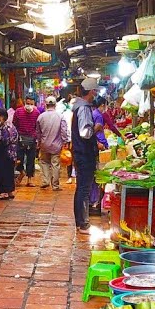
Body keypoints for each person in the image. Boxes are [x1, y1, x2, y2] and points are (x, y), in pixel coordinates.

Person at [72, 79, 103, 232]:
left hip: (80, 153)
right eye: (95, 91)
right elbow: (84, 132)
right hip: (84, 153)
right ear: (91, 92)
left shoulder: (78, 106)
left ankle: (80, 222)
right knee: (84, 189)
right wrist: (95, 128)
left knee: (81, 188)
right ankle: (83, 223)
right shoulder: (83, 108)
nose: (96, 94)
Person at [36, 96, 68, 190]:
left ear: (46, 105)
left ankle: (45, 181)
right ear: (55, 105)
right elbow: (64, 130)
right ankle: (55, 185)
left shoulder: (41, 116)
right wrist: (65, 141)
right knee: (55, 164)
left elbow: (38, 132)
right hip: (56, 145)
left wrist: (39, 142)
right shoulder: (60, 116)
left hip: (44, 144)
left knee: (44, 162)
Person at [0, 108, 19, 199]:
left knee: (2, 172)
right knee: (9, 172)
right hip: (11, 152)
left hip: (4, 153)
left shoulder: (4, 127)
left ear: (2, 117)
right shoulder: (11, 125)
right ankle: (10, 192)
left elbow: (2, 140)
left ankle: (3, 193)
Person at [11, 97, 41, 186]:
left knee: (31, 159)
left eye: (31, 104)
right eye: (28, 103)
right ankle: (21, 172)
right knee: (19, 158)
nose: (29, 106)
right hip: (20, 139)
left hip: (32, 139)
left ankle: (29, 179)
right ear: (25, 102)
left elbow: (38, 127)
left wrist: (37, 138)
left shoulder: (37, 113)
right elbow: (14, 124)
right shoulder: (18, 112)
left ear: (34, 104)